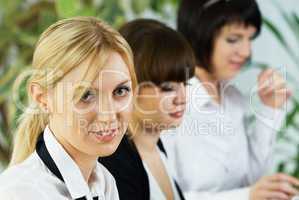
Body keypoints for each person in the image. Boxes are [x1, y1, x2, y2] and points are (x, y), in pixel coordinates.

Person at [161, 0, 299, 199]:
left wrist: (271, 108)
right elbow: (166, 195)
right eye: (234, 39)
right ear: (200, 36)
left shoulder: (233, 98)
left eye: (249, 39)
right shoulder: (171, 103)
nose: (246, 52)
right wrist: (246, 196)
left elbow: (252, 179)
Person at [0, 16, 137, 200]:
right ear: (42, 98)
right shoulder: (20, 193)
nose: (109, 115)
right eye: (86, 95)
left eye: (120, 91)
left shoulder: (104, 183)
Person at [99, 19, 195, 200]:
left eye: (185, 83)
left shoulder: (155, 147)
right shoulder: (114, 165)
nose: (182, 98)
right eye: (167, 87)